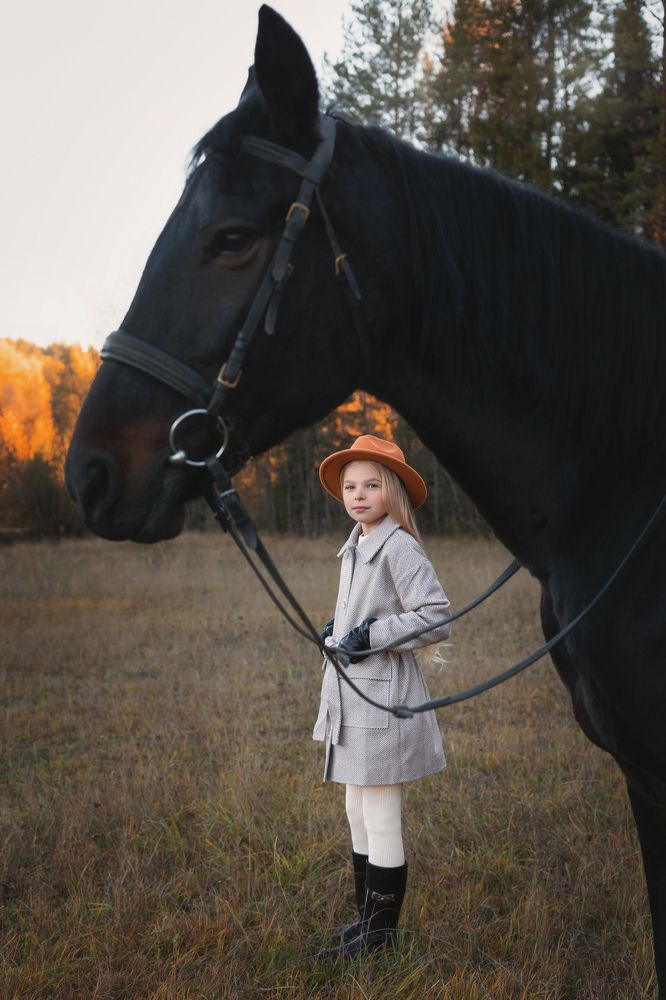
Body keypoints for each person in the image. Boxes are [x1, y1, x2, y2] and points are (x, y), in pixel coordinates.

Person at [313, 434, 452, 959]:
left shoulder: (398, 545)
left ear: (391, 491)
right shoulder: (355, 544)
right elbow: (363, 611)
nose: (359, 494)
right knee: (356, 810)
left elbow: (435, 616)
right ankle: (366, 922)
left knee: (381, 814)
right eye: (351, 486)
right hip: (352, 703)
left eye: (371, 485)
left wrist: (368, 636)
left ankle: (380, 940)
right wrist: (338, 630)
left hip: (382, 706)